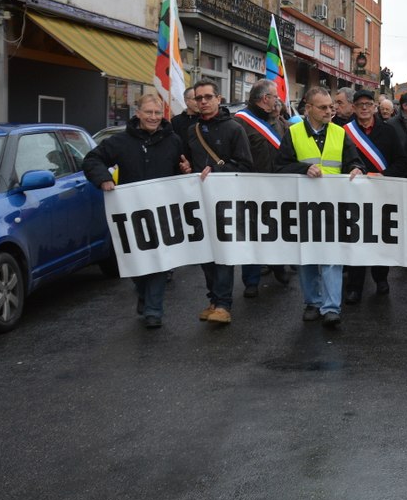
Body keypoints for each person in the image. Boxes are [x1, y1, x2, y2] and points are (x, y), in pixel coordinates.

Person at [83, 94, 185, 329]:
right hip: (131, 213)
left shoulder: (174, 141)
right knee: (136, 262)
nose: (153, 117)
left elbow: (182, 171)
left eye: (157, 113)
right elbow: (91, 160)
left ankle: (154, 310)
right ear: (137, 113)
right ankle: (142, 293)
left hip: (163, 213)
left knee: (160, 261)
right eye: (148, 112)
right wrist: (104, 179)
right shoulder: (119, 142)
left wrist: (185, 169)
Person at [274, 86, 366, 327]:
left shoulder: (340, 133)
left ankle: (331, 307)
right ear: (309, 108)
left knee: (332, 256)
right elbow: (279, 167)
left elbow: (354, 162)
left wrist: (357, 169)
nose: (329, 111)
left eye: (331, 107)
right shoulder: (293, 134)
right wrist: (303, 169)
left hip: (334, 206)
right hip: (303, 206)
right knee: (307, 258)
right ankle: (312, 303)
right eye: (323, 107)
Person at [179, 81, 254, 324]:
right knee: (205, 253)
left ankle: (223, 304)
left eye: (208, 97)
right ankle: (213, 299)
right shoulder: (192, 131)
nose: (203, 102)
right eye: (198, 98)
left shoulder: (234, 128)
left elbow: (245, 165)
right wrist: (187, 167)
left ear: (218, 99)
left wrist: (218, 170)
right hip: (199, 201)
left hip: (226, 201)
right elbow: (189, 162)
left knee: (222, 252)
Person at [340, 89, 407, 304]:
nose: (364, 107)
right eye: (359, 104)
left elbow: (402, 162)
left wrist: (383, 175)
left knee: (381, 239)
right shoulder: (344, 132)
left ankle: (381, 278)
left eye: (368, 104)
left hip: (382, 194)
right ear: (353, 107)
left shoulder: (388, 132)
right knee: (356, 239)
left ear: (374, 107)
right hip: (354, 194)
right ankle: (354, 286)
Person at [234, 79, 290, 296]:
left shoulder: (277, 122)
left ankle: (278, 266)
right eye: (275, 96)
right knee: (252, 234)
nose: (277, 100)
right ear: (265, 99)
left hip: (278, 187)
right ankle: (251, 281)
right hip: (250, 188)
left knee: (276, 230)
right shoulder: (240, 122)